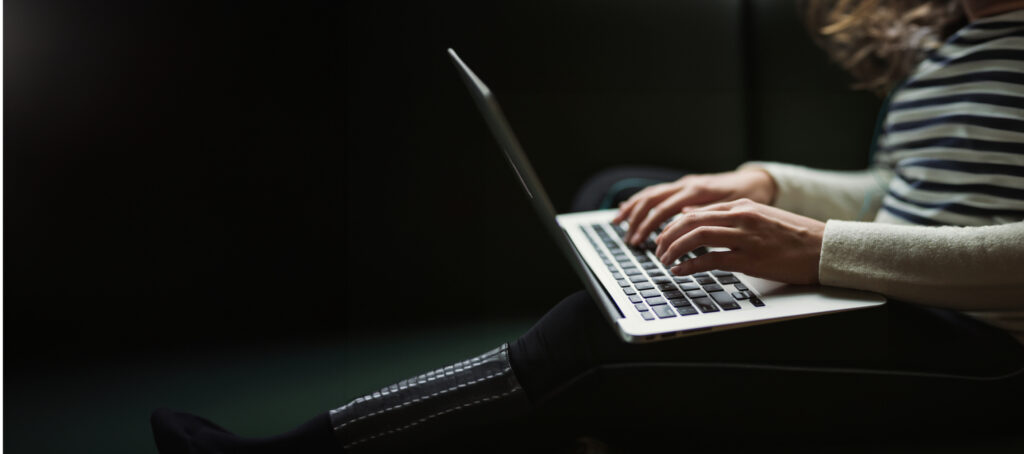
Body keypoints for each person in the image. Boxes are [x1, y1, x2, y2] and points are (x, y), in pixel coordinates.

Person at [152, 0, 1024, 452]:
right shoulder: (953, 44)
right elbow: (898, 188)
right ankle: (583, 400)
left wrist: (816, 251)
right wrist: (761, 182)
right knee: (626, 197)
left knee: (598, 337)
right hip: (904, 291)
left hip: (987, 348)